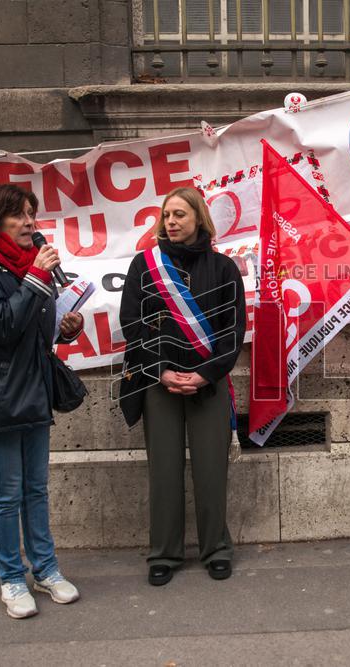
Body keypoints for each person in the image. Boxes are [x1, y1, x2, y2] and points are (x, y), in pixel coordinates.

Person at [0, 184, 84, 619]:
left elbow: (29, 329)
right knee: (7, 494)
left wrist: (64, 327)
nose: (30, 224)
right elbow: (1, 324)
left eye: (32, 215)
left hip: (33, 389)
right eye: (20, 216)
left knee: (36, 489)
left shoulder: (26, 267)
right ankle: (11, 578)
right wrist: (38, 280)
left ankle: (45, 570)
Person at [119, 186, 246, 587]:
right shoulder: (144, 266)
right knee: (164, 471)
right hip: (159, 384)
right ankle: (165, 553)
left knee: (212, 471)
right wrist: (161, 371)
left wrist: (205, 374)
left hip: (207, 383)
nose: (171, 222)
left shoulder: (224, 269)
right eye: (166, 215)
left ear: (199, 220)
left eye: (179, 215)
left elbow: (233, 330)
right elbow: (131, 324)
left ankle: (216, 549)